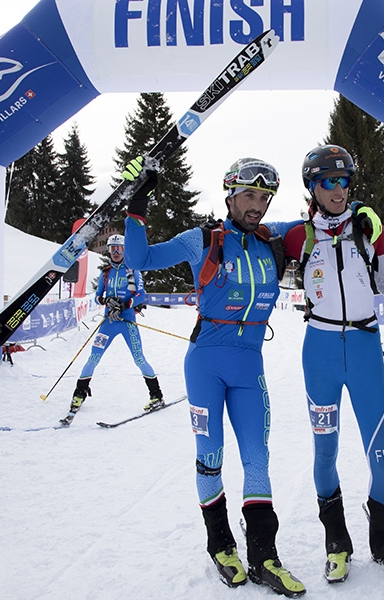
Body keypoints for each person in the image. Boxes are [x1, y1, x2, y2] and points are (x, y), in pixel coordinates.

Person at [121, 157, 306, 598]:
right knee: (211, 455)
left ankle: (264, 557)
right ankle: (220, 544)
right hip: (206, 362)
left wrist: (359, 214)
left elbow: (320, 221)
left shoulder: (270, 240)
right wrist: (137, 205)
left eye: (263, 198)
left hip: (249, 366)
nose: (256, 205)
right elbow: (138, 258)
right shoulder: (201, 239)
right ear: (230, 196)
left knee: (257, 458)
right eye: (248, 196)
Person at [282, 144, 384, 585]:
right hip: (320, 352)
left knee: (381, 454)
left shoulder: (368, 226)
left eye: (345, 180)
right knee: (324, 451)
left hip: (366, 348)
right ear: (312, 186)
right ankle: (336, 544)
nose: (339, 189)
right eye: (330, 181)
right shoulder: (296, 236)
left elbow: (383, 279)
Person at [62, 234, 164, 426]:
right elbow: (97, 296)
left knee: (139, 358)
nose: (116, 252)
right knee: (93, 357)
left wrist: (124, 305)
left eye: (119, 248)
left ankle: (156, 395)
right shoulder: (106, 273)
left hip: (126, 321)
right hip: (108, 321)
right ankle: (79, 393)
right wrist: (107, 301)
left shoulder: (132, 271)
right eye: (112, 249)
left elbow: (140, 294)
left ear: (125, 250)